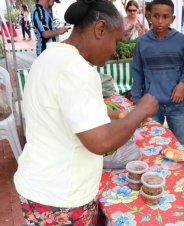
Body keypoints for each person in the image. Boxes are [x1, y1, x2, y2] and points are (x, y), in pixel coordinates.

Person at [13, 0, 158, 225]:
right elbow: (101, 141)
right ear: (100, 29)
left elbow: (63, 111)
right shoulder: (77, 70)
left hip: (39, 186)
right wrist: (140, 111)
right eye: (116, 41)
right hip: (61, 196)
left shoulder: (47, 59)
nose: (115, 50)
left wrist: (117, 115)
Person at [131, 0, 184, 145]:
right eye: (156, 16)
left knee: (180, 144)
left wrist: (183, 84)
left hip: (176, 104)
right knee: (152, 144)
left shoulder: (181, 40)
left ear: (173, 18)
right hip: (151, 105)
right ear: (149, 16)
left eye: (165, 17)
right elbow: (137, 72)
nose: (160, 21)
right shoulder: (142, 42)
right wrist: (137, 100)